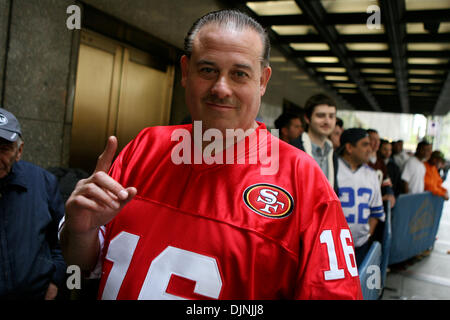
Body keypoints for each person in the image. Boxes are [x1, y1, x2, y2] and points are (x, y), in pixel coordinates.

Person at [60, 10, 362, 300]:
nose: (221, 88)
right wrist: (81, 232)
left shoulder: (303, 180)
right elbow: (85, 264)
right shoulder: (144, 146)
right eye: (207, 70)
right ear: (185, 72)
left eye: (240, 74)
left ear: (262, 81)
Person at [0, 108, 66, 299]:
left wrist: (56, 280)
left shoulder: (43, 183)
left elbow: (64, 240)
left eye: (4, 149)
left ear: (19, 151)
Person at [336, 128, 385, 267]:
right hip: (333, 246)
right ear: (349, 147)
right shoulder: (332, 169)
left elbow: (375, 212)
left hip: (360, 247)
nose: (370, 149)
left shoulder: (372, 175)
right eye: (365, 144)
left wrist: (367, 235)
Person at [291, 93, 339, 194]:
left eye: (331, 116)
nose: (327, 121)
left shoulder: (333, 154)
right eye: (321, 116)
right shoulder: (293, 149)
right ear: (307, 119)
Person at [366, 129, 395, 208]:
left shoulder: (380, 161)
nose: (377, 142)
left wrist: (390, 194)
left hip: (376, 206)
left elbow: (386, 181)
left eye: (378, 139)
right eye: (373, 139)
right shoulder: (361, 160)